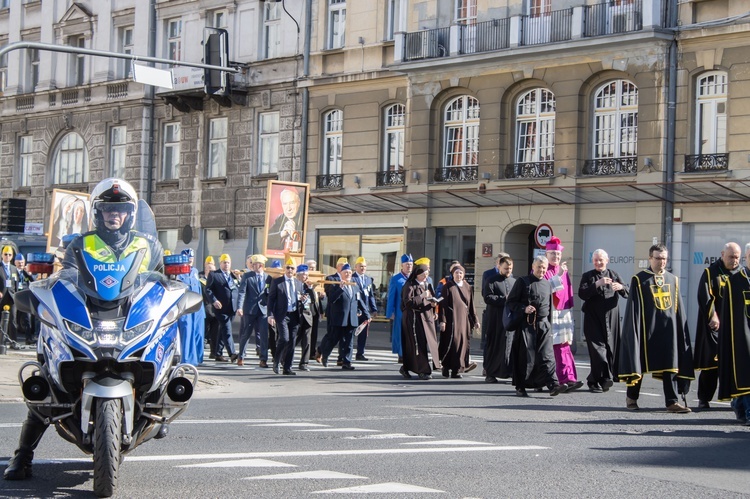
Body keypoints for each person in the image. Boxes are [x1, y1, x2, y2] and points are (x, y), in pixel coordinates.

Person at [4, 177, 164, 481]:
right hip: (91, 317)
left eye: (120, 210)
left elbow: (159, 278)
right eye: (107, 209)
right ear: (97, 212)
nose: (114, 215)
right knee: (46, 383)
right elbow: (67, 276)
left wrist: (174, 290)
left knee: (167, 342)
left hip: (130, 319)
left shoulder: (147, 243)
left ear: (130, 213)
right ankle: (23, 455)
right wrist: (49, 288)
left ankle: (159, 400)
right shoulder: (81, 243)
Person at [618, 243, 694, 413]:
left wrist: (680, 329)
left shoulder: (672, 279)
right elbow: (634, 309)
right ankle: (632, 398)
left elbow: (677, 308)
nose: (662, 262)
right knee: (640, 362)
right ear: (650, 259)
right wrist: (634, 332)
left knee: (671, 363)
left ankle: (672, 402)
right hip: (647, 331)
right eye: (658, 258)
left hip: (668, 331)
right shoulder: (639, 279)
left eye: (664, 259)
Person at [506, 255, 563, 397]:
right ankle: (521, 386)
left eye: (544, 267)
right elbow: (511, 302)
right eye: (539, 267)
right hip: (526, 325)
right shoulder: (522, 282)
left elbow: (549, 307)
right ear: (533, 267)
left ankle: (553, 384)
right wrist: (523, 309)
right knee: (526, 357)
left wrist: (549, 325)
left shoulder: (547, 284)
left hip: (543, 325)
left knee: (547, 356)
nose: (542, 270)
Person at [694, 242, 741, 409]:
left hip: (735, 328)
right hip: (715, 328)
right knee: (711, 365)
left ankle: (736, 400)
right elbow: (705, 296)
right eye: (731, 257)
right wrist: (712, 314)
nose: (734, 261)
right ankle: (704, 398)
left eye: (737, 257)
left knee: (734, 365)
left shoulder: (741, 273)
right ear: (722, 254)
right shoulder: (711, 272)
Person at [578, 249, 628, 393]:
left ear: (607, 260)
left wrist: (621, 287)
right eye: (596, 260)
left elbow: (627, 292)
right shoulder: (587, 276)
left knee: (611, 349)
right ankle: (601, 379)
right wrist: (597, 284)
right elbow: (582, 293)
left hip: (611, 317)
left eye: (601, 260)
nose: (598, 262)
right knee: (598, 350)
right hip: (593, 318)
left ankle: (599, 380)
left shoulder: (614, 274)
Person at [543, 237, 583, 393]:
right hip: (551, 312)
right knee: (555, 348)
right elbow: (546, 290)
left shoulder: (562, 270)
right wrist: (558, 275)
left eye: (558, 254)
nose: (556, 257)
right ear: (546, 254)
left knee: (565, 346)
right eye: (553, 254)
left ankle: (570, 378)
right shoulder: (542, 269)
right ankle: (560, 379)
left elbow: (568, 293)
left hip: (563, 312)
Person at [315, 263, 370, 370]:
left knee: (349, 342)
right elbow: (331, 300)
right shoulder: (335, 285)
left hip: (351, 318)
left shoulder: (354, 285)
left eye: (349, 273)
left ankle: (346, 362)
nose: (348, 274)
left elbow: (359, 301)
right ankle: (325, 354)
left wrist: (366, 314)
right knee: (333, 339)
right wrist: (340, 288)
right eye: (346, 273)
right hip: (339, 318)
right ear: (341, 274)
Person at [718, 242, 750, 425]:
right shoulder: (735, 282)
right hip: (741, 334)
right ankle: (744, 408)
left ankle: (740, 406)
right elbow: (730, 313)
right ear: (746, 258)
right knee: (743, 371)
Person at [400, 259, 441, 380]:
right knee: (417, 344)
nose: (425, 277)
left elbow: (432, 298)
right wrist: (422, 296)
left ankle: (406, 367)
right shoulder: (410, 285)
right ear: (417, 274)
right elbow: (407, 303)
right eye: (422, 275)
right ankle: (423, 370)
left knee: (427, 343)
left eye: (426, 275)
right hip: (413, 318)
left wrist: (434, 307)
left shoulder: (427, 284)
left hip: (427, 317)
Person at [438, 263, 479, 379]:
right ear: (452, 274)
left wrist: (475, 320)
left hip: (464, 320)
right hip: (452, 320)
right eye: (456, 273)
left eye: (461, 273)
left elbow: (471, 305)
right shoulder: (448, 286)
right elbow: (443, 305)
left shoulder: (468, 287)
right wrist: (443, 320)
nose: (459, 275)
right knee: (452, 343)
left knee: (462, 344)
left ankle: (456, 369)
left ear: (464, 274)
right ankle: (446, 366)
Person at [267, 258, 304, 375]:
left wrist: (303, 300)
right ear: (284, 269)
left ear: (295, 270)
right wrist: (270, 315)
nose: (289, 270)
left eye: (292, 268)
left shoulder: (299, 284)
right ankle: (277, 361)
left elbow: (301, 299)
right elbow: (271, 299)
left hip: (294, 314)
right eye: (287, 267)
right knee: (284, 338)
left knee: (292, 342)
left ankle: (287, 367)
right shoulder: (278, 282)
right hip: (282, 314)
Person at [483, 256, 515, 383]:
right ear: (499, 267)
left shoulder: (513, 281)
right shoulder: (491, 281)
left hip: (510, 319)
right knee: (494, 345)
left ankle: (508, 370)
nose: (508, 271)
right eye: (506, 268)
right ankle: (491, 372)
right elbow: (487, 297)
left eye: (510, 268)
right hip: (495, 319)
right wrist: (504, 299)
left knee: (510, 345)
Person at [237, 254, 273, 367]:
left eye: (255, 264)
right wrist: (239, 307)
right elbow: (242, 292)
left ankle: (263, 359)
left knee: (263, 335)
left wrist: (270, 312)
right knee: (246, 334)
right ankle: (241, 356)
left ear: (261, 265)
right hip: (250, 309)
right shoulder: (247, 276)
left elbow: (270, 295)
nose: (253, 266)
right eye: (252, 264)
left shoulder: (268, 278)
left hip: (263, 310)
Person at [205, 253, 239, 363]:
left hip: (232, 308)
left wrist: (239, 279)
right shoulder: (214, 275)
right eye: (224, 262)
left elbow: (237, 290)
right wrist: (214, 300)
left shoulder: (233, 276)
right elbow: (208, 289)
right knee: (227, 329)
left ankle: (218, 353)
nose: (226, 265)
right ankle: (232, 353)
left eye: (228, 262)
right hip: (221, 309)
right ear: (220, 263)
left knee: (223, 331)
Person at [176, 248, 206, 366]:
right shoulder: (178, 272)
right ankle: (186, 360)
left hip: (197, 307)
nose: (190, 261)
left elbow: (198, 289)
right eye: (188, 259)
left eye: (191, 259)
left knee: (198, 332)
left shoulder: (194, 271)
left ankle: (198, 358)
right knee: (187, 331)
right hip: (186, 307)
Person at [480, 253, 510, 357]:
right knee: (491, 338)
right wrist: (503, 299)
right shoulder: (488, 274)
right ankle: (487, 365)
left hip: (506, 313)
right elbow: (485, 294)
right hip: (493, 311)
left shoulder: (510, 275)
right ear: (498, 263)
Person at [386, 254, 413, 362]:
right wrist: (390, 312)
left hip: (412, 311)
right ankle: (401, 354)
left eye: (410, 264)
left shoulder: (414, 278)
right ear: (402, 265)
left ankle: (410, 353)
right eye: (407, 264)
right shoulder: (396, 279)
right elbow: (391, 296)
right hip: (400, 311)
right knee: (401, 333)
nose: (409, 266)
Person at [353, 256, 378, 361]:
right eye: (361, 266)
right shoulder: (352, 278)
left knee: (363, 333)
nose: (363, 268)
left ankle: (360, 353)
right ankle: (344, 354)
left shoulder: (368, 279)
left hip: (365, 310)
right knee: (350, 332)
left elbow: (371, 295)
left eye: (364, 266)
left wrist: (374, 309)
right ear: (356, 267)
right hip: (355, 309)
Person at [267, 188, 304, 252]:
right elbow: (266, 240)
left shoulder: (303, 217)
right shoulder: (280, 218)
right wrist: (282, 234)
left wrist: (294, 234)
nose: (288, 208)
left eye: (292, 203)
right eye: (285, 204)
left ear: (298, 203)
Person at [199, 256, 220, 360]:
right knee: (203, 332)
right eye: (209, 270)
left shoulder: (218, 281)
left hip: (216, 311)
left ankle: (214, 352)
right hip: (204, 310)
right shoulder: (201, 281)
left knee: (215, 333)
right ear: (206, 270)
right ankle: (200, 353)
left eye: (213, 270)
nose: (211, 272)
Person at [295, 264, 315, 370]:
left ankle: (304, 363)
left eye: (306, 275)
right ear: (298, 275)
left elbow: (313, 301)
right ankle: (284, 358)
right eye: (303, 275)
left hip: (307, 315)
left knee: (306, 340)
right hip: (296, 315)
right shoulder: (294, 284)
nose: (305, 277)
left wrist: (311, 289)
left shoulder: (308, 286)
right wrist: (299, 297)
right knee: (293, 339)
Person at [13, 254, 35, 345]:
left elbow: (33, 282)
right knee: (13, 319)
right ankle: (12, 339)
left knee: (27, 319)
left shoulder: (25, 272)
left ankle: (28, 338)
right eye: (19, 263)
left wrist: (29, 274)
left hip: (24, 298)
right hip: (15, 296)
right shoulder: (13, 271)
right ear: (15, 263)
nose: (20, 264)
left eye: (22, 263)